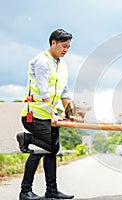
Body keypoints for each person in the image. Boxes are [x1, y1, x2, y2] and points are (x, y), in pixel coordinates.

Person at [16, 29, 74, 200]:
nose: (65, 50)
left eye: (68, 47)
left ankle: (50, 190)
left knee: (48, 151)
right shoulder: (42, 61)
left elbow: (64, 91)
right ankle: (27, 139)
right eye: (63, 46)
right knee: (49, 147)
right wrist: (53, 115)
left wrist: (71, 114)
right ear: (53, 43)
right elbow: (44, 93)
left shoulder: (62, 64)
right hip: (33, 115)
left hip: (49, 116)